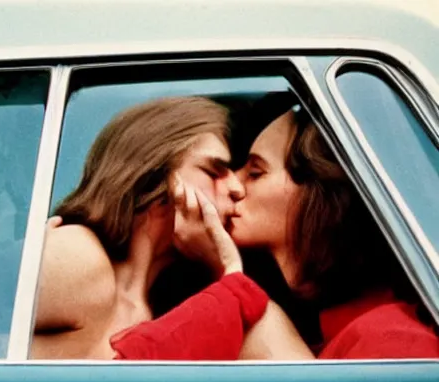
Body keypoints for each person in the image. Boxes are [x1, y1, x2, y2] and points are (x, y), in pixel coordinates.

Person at [109, 103, 439, 360]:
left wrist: (228, 273)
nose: (235, 184)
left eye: (255, 172)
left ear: (316, 196)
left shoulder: (393, 338)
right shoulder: (336, 330)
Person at [32, 96, 245, 359]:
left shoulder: (163, 304)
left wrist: (224, 269)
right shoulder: (82, 258)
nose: (237, 188)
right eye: (213, 172)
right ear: (154, 173)